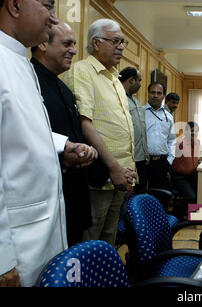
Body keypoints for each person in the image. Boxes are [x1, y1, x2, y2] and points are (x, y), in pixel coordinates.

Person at [0, 0, 93, 287]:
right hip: (17, 245)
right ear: (15, 5)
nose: (54, 19)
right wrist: (2, 259)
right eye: (48, 7)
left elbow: (20, 130)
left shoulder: (20, 62)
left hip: (43, 232)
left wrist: (62, 146)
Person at [61, 18, 137, 246]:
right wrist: (113, 167)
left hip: (120, 177)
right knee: (90, 244)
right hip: (99, 175)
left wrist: (126, 171)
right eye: (115, 41)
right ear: (96, 43)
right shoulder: (82, 71)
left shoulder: (114, 78)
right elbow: (85, 124)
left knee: (109, 240)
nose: (121, 46)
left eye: (123, 41)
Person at [31, 22, 98, 247]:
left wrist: (86, 151)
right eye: (67, 44)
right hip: (45, 201)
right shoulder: (30, 83)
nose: (73, 50)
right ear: (42, 44)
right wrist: (63, 157)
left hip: (74, 197)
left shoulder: (63, 88)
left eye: (75, 44)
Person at [119, 66, 149, 194]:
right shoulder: (119, 98)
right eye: (139, 81)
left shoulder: (135, 100)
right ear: (131, 80)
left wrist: (145, 149)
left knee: (140, 191)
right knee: (127, 194)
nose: (141, 85)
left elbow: (141, 127)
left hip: (141, 157)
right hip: (128, 158)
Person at [145, 82, 176, 190]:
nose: (155, 95)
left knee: (161, 196)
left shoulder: (168, 117)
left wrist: (169, 161)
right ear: (148, 93)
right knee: (141, 195)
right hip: (143, 162)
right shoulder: (140, 113)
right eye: (153, 92)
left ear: (163, 96)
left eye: (159, 93)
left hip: (162, 162)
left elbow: (172, 141)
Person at [172, 122, 202, 209]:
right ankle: (179, 214)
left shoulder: (197, 142)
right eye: (192, 131)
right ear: (186, 131)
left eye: (196, 131)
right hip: (179, 177)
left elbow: (200, 157)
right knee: (192, 197)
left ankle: (194, 212)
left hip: (192, 175)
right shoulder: (179, 143)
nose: (194, 133)